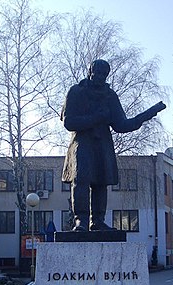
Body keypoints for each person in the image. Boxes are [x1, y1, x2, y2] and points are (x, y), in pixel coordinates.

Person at [61, 59, 166, 231]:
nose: (100, 77)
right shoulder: (76, 92)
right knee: (81, 179)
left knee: (101, 182)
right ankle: (81, 220)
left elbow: (121, 125)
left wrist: (146, 115)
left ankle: (98, 221)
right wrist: (97, 118)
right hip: (82, 143)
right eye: (97, 73)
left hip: (102, 144)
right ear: (90, 72)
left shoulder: (110, 96)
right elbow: (69, 122)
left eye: (104, 74)